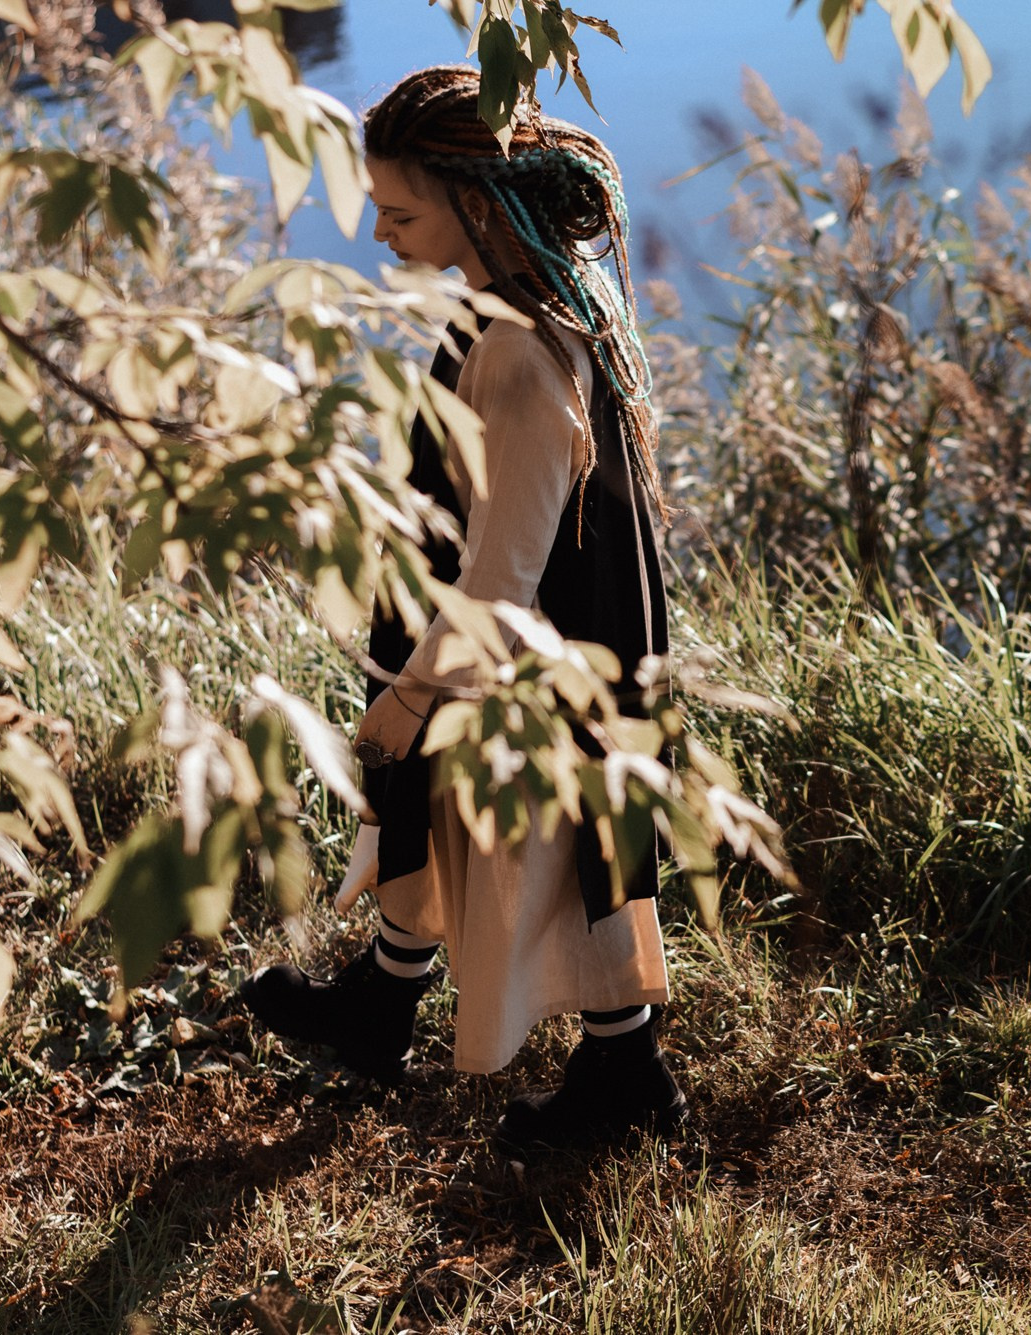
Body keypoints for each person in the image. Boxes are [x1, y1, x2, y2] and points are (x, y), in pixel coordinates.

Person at [238, 65, 681, 1151]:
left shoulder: (526, 357)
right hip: (511, 642)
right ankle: (378, 1010)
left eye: (399, 211)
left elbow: (501, 581)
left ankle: (628, 1080)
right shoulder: (513, 299)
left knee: (556, 859)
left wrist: (407, 699)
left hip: (529, 661)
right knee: (437, 823)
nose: (379, 231)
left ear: (473, 204)